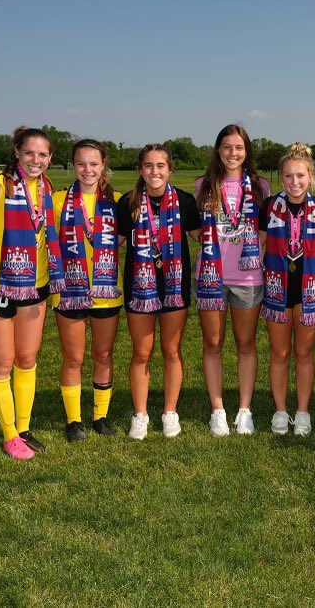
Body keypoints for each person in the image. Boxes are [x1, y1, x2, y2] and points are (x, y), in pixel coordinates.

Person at [0, 126, 65, 459]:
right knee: (2, 363)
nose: (35, 160)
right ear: (16, 153)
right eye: (29, 153)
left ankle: (23, 429)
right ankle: (9, 435)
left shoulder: (46, 188)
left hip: (35, 285)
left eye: (42, 155)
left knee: (26, 360)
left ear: (50, 158)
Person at [117, 145, 201, 440]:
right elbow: (118, 240)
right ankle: (140, 414)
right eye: (149, 166)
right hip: (139, 286)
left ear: (170, 170)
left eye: (160, 166)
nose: (155, 171)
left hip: (174, 286)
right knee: (142, 352)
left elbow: (200, 235)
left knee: (171, 350)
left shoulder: (185, 201)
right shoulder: (128, 202)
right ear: (140, 170)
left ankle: (170, 412)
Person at [195, 125, 270, 436]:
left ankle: (244, 409)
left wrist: (244, 244)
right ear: (218, 150)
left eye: (239, 147)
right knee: (213, 343)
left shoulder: (261, 187)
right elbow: (195, 230)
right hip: (210, 276)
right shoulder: (203, 185)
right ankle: (218, 410)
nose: (233, 153)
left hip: (248, 277)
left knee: (245, 343)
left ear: (246, 151)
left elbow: (265, 232)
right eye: (227, 147)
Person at [50, 139, 123, 442]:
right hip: (70, 291)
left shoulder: (118, 201)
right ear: (73, 165)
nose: (88, 170)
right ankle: (73, 420)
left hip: (107, 292)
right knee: (74, 357)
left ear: (103, 165)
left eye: (94, 164)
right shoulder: (56, 200)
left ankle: (100, 416)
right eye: (81, 164)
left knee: (103, 354)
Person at [259, 142, 315, 436]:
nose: (295, 182)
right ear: (281, 177)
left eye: (300, 175)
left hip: (309, 288)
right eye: (288, 176)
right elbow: (259, 244)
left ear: (310, 176)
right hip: (278, 288)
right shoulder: (269, 206)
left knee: (304, 352)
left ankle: (302, 412)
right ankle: (280, 411)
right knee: (279, 352)